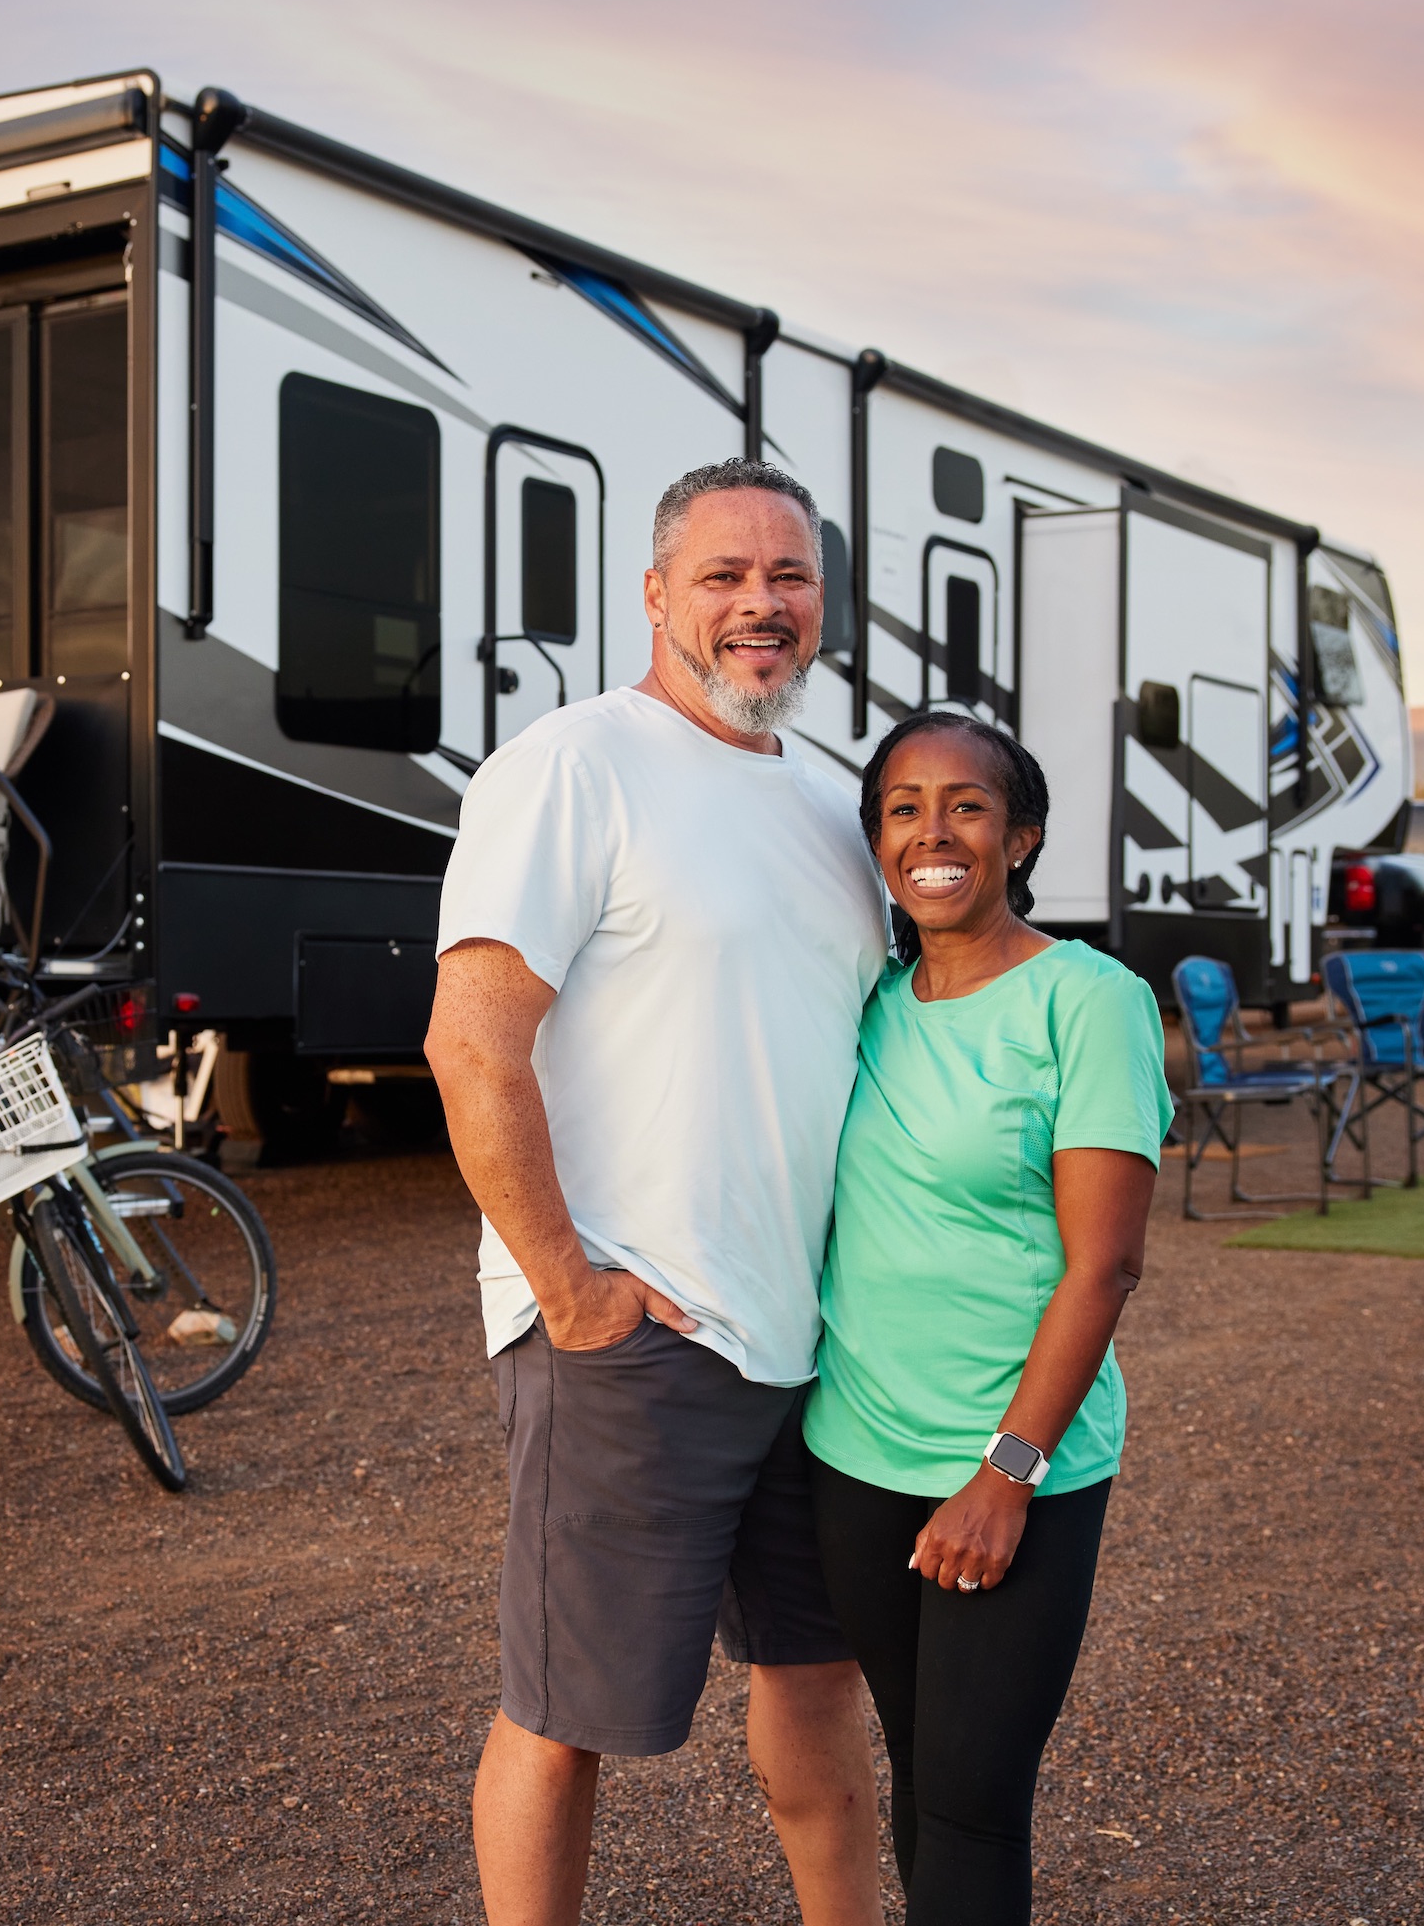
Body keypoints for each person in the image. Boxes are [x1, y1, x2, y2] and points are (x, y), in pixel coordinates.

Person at [426, 458, 888, 1926]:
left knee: (818, 1685)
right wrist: (571, 1290)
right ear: (655, 595)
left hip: (814, 1343)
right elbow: (472, 1041)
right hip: (643, 1329)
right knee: (567, 1711)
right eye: (726, 577)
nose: (763, 606)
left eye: (790, 579)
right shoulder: (575, 765)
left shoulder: (832, 806)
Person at [803, 709, 1171, 1923]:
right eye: (903, 808)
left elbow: (1103, 1267)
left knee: (971, 1805)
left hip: (1010, 1467)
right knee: (923, 1781)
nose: (934, 832)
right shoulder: (867, 1004)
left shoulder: (1088, 1000)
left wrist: (1006, 1472)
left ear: (1022, 838)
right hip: (856, 1457)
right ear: (876, 844)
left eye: (966, 806)